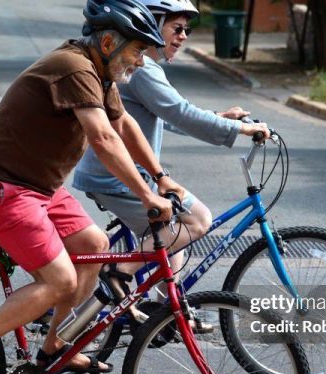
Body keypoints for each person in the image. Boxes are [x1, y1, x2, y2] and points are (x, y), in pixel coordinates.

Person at [0, 0, 186, 374]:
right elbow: (103, 139)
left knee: (94, 246)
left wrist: (160, 177)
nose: (141, 62)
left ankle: (56, 345)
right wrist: (146, 197)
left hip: (36, 186)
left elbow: (121, 125)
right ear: (108, 41)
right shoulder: (74, 67)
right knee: (60, 280)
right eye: (137, 51)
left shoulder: (99, 72)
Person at [72, 0, 269, 310]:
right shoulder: (143, 69)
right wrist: (239, 130)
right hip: (116, 176)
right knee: (196, 219)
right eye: (176, 28)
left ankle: (169, 312)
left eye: (187, 30)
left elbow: (166, 116)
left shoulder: (143, 66)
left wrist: (220, 117)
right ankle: (118, 273)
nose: (183, 36)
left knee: (174, 232)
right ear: (153, 22)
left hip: (123, 173)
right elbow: (179, 112)